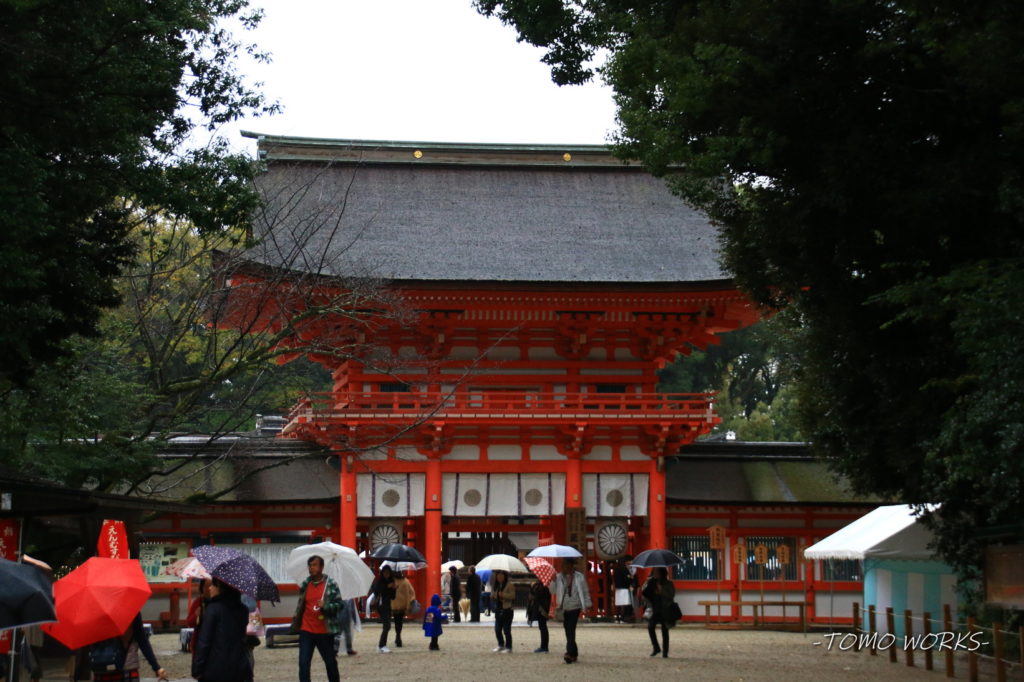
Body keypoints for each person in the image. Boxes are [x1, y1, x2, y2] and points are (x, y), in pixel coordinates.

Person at [289, 555, 342, 682]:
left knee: (330, 663)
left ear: (321, 567)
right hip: (306, 629)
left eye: (314, 565)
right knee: (303, 663)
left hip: (324, 631)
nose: (311, 568)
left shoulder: (331, 584)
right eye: (310, 565)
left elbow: (340, 605)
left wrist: (327, 606)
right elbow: (301, 605)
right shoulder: (306, 584)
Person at [191, 579, 251, 682]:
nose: (210, 588)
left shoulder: (213, 609)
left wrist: (197, 669)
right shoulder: (242, 609)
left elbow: (204, 641)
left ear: (221, 589)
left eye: (214, 585)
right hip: (240, 665)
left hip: (216, 667)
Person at [91, 612, 168, 682]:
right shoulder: (130, 610)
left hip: (100, 666)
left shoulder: (94, 611)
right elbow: (142, 640)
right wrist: (156, 667)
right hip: (127, 667)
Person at [552, 558, 591, 664]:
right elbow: (552, 591)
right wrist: (553, 581)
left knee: (570, 629)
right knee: (567, 629)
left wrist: (587, 604)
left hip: (575, 605)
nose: (562, 567)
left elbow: (584, 590)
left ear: (570, 566)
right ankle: (574, 653)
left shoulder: (579, 577)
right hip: (564, 606)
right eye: (562, 565)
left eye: (564, 565)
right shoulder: (559, 577)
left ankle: (569, 653)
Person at [642, 566, 676, 658]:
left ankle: (665, 652)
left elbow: (671, 595)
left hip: (665, 609)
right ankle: (656, 647)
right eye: (654, 572)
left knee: (665, 631)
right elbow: (645, 593)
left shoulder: (668, 583)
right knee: (650, 627)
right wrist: (647, 583)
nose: (655, 574)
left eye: (657, 572)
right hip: (655, 609)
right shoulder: (651, 582)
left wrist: (662, 591)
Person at [369, 565, 397, 653]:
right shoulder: (379, 582)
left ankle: (382, 645)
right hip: (381, 605)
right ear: (382, 573)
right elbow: (377, 591)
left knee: (387, 626)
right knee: (387, 625)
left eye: (388, 573)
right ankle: (382, 645)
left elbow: (393, 597)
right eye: (385, 573)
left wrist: (394, 589)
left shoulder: (391, 581)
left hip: (388, 605)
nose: (386, 575)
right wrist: (387, 587)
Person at [490, 570, 516, 653]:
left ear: (505, 576)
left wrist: (503, 595)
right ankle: (500, 644)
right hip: (498, 609)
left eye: (501, 576)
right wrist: (494, 596)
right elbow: (495, 595)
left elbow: (513, 596)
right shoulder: (497, 586)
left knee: (506, 630)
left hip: (507, 609)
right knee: (497, 629)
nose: (499, 577)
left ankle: (509, 647)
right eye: (498, 576)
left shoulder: (509, 585)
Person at [390, 571, 416, 648]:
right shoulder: (405, 581)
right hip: (403, 604)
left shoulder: (392, 581)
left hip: (394, 604)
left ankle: (398, 636)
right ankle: (398, 636)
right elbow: (412, 593)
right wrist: (410, 601)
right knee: (400, 622)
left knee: (396, 621)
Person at [527, 577, 551, 653]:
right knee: (542, 627)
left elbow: (543, 598)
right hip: (538, 609)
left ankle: (544, 647)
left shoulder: (545, 587)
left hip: (542, 609)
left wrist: (534, 597)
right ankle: (543, 646)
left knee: (543, 627)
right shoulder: (537, 585)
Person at [613, 558, 634, 622]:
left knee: (619, 604)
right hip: (624, 588)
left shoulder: (616, 569)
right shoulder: (625, 569)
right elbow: (627, 578)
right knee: (625, 604)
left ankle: (618, 617)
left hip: (618, 588)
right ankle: (623, 617)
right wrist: (631, 578)